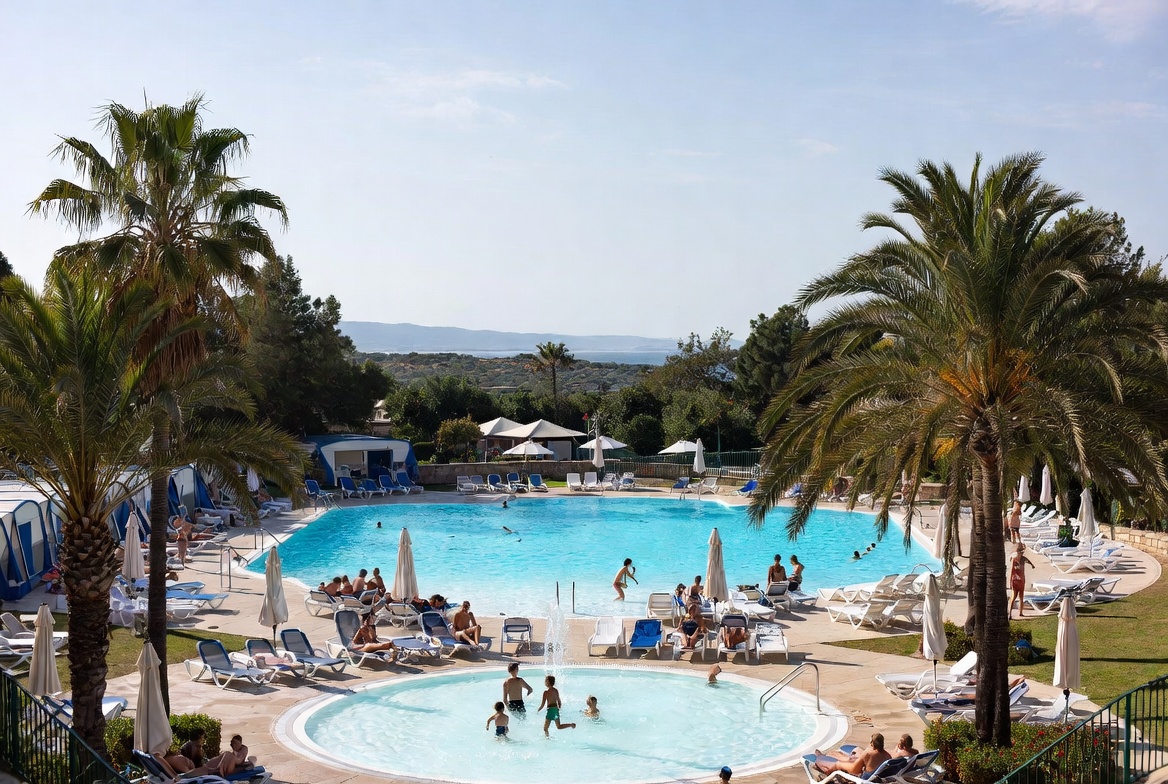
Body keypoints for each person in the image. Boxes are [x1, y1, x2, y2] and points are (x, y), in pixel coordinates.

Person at [815, 733, 892, 777]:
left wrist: (840, 765)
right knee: (852, 759)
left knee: (838, 764)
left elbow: (854, 770)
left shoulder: (869, 753)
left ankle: (823, 764)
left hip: (865, 778)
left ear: (872, 743)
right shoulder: (888, 756)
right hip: (876, 776)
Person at [1009, 542, 1035, 618]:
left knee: (1021, 597)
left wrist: (1032, 565)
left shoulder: (1023, 559)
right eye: (1020, 552)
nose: (1021, 554)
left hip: (1021, 581)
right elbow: (1012, 572)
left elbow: (1029, 561)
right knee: (1013, 597)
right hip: (1015, 581)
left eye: (1022, 552)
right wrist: (1010, 583)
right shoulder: (1014, 560)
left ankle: (1020, 612)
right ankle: (1010, 614)